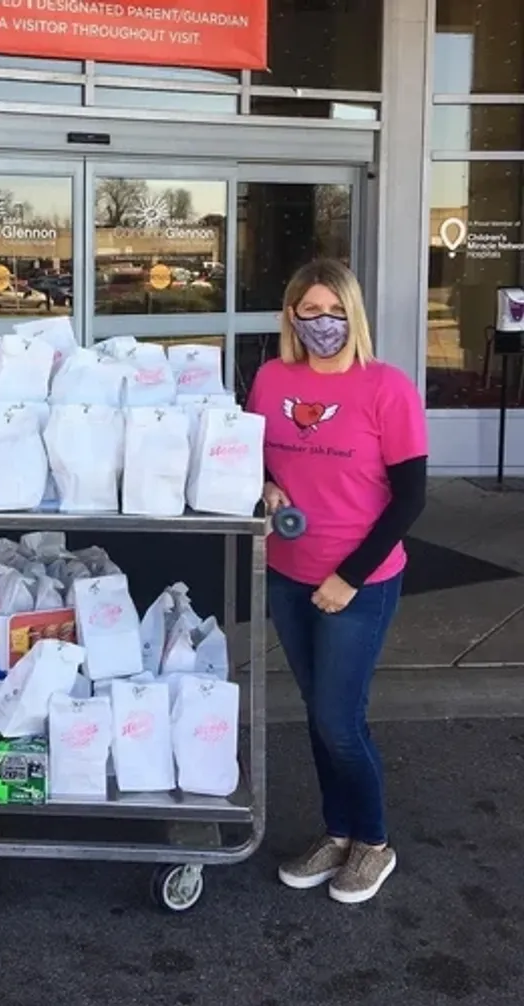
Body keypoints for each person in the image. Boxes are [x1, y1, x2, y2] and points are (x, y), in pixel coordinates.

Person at [247, 258, 427, 905]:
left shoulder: (387, 387)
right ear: (291, 317)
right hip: (289, 574)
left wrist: (349, 578)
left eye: (334, 310)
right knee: (320, 715)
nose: (323, 323)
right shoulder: (271, 379)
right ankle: (338, 831)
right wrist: (267, 483)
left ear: (354, 314)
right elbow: (255, 451)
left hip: (360, 582)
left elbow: (410, 498)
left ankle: (373, 842)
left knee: (338, 720)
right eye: (310, 311)